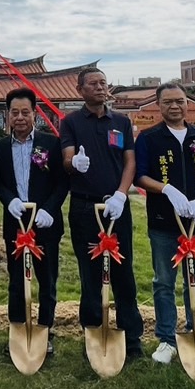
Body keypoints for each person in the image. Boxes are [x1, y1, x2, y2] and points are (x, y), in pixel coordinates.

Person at [133, 81, 195, 365]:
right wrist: (166, 189)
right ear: (158, 105)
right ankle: (167, 339)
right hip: (163, 222)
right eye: (168, 102)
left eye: (179, 101)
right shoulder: (149, 138)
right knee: (164, 282)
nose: (174, 106)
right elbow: (140, 175)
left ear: (187, 103)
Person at [60, 67, 143, 362]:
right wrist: (74, 163)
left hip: (116, 206)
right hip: (85, 207)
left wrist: (121, 194)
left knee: (123, 272)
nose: (99, 87)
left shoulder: (121, 122)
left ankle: (131, 338)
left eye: (103, 83)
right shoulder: (70, 122)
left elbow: (130, 161)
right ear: (80, 89)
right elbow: (67, 157)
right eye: (93, 83)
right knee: (90, 272)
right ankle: (94, 333)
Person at [0, 87, 68, 354]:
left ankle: (45, 330)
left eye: (25, 112)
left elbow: (62, 183)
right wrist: (8, 199)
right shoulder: (0, 148)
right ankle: (17, 329)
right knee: (16, 281)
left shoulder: (51, 144)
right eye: (15, 113)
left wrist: (49, 210)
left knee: (47, 281)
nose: (20, 117)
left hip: (45, 222)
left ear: (35, 114)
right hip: (16, 222)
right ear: (8, 115)